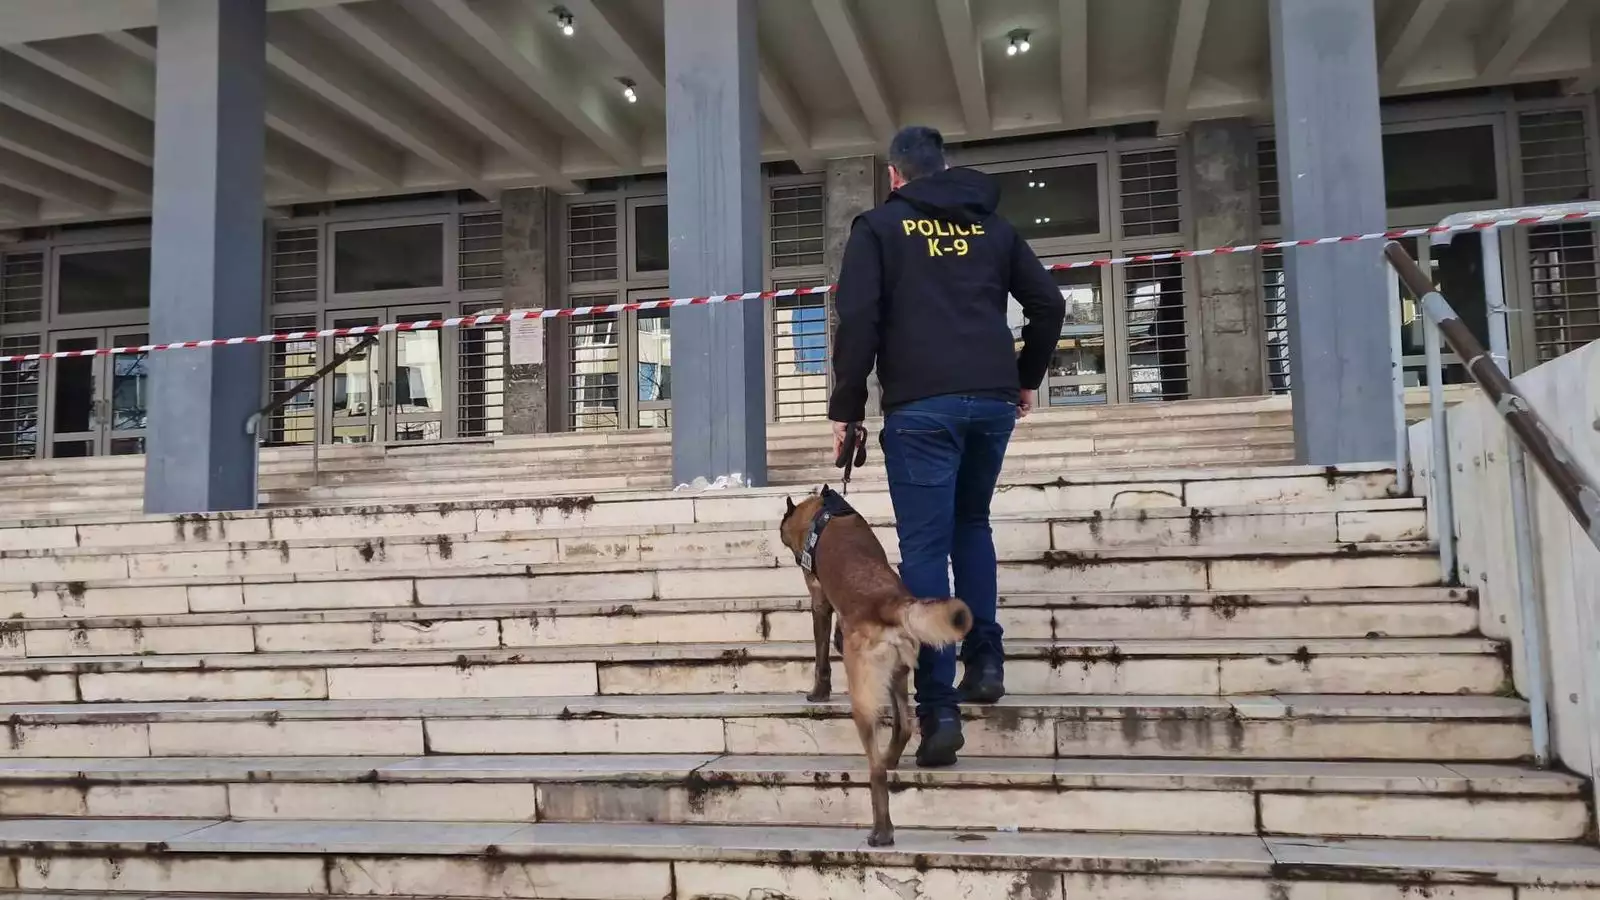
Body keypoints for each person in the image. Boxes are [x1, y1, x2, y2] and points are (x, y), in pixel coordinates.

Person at [827, 125, 1066, 768]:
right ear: (946, 167)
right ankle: (985, 658)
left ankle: (939, 709)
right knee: (973, 526)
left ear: (894, 174)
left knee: (927, 549)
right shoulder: (994, 227)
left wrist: (846, 411)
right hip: (990, 399)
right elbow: (1049, 304)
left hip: (922, 406)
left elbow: (859, 321)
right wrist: (1025, 376)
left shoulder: (879, 228)